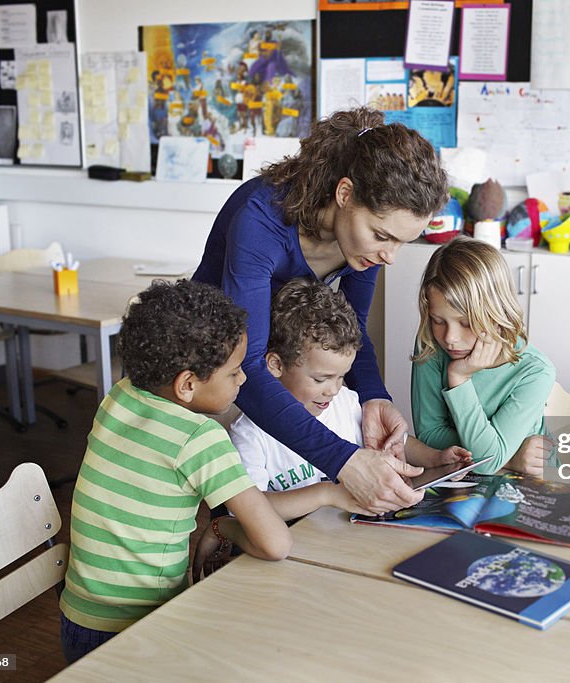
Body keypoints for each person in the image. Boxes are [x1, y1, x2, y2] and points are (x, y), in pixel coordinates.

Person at [193, 106, 450, 515]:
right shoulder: (260, 222)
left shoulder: (362, 247)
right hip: (205, 370)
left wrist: (375, 398)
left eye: (402, 242)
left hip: (268, 369)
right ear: (344, 194)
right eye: (382, 236)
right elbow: (250, 367)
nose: (390, 256)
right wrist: (344, 461)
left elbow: (356, 330)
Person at [58, 280, 296, 663]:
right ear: (186, 384)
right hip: (140, 626)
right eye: (235, 371)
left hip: (77, 620)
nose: (244, 379)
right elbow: (276, 543)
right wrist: (223, 528)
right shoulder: (200, 439)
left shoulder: (118, 397)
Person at [229, 277, 471, 493]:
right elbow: (252, 511)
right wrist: (327, 497)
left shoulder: (346, 401)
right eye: (321, 379)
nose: (333, 390)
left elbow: (399, 444)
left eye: (341, 376)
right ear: (276, 365)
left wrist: (436, 458)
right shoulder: (249, 434)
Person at [410, 237, 556, 476]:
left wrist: (459, 378)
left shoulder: (535, 372)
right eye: (438, 321)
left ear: (498, 314)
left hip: (531, 482)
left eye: (466, 323)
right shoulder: (430, 345)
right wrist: (508, 456)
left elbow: (488, 461)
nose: (450, 338)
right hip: (474, 480)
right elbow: (428, 435)